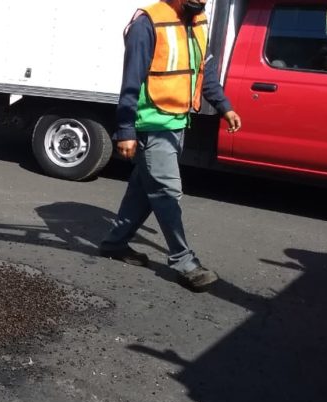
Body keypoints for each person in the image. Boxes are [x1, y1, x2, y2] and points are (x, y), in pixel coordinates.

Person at [99, 0, 241, 292]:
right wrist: (125, 129)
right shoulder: (148, 22)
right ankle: (184, 262)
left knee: (143, 189)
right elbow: (131, 80)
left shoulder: (198, 21)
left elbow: (204, 71)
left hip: (177, 123)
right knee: (166, 191)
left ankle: (115, 244)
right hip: (152, 125)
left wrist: (224, 106)